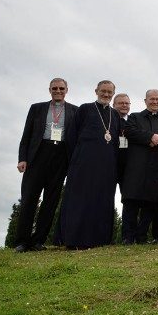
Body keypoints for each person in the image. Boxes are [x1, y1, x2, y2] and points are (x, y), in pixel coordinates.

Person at [14, 78, 79, 252]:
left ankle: (38, 241)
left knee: (51, 200)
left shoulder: (75, 111)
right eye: (55, 88)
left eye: (61, 88)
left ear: (67, 90)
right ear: (49, 90)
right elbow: (26, 135)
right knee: (29, 199)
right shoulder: (37, 108)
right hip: (38, 154)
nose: (58, 91)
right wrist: (22, 158)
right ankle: (22, 241)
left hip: (61, 157)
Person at [56, 80, 120, 249]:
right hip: (83, 164)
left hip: (106, 167)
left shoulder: (115, 115)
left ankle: (100, 239)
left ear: (113, 93)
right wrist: (76, 159)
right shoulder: (84, 109)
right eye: (103, 91)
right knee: (80, 201)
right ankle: (74, 239)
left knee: (102, 200)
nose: (106, 95)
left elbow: (117, 142)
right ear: (96, 91)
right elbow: (71, 136)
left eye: (109, 92)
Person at [120, 89, 158, 244]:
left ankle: (142, 237)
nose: (155, 102)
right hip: (136, 166)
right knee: (131, 203)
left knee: (150, 205)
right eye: (152, 99)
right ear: (145, 101)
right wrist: (150, 137)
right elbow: (129, 131)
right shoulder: (135, 117)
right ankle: (127, 237)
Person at [113, 93, 131, 187]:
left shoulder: (134, 121)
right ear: (114, 105)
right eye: (121, 103)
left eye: (127, 103)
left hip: (128, 166)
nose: (124, 105)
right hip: (110, 163)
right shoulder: (108, 120)